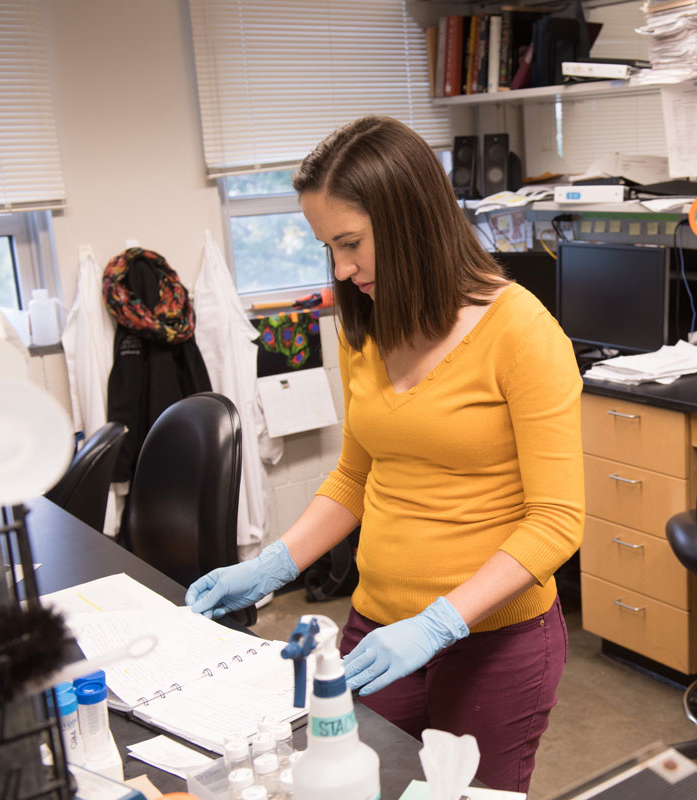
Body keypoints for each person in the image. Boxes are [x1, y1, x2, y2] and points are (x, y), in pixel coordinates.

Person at [185, 116, 584, 793]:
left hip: (494, 643)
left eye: (351, 243)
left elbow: (557, 521)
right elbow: (355, 475)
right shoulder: (364, 321)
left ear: (411, 220)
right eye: (327, 248)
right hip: (377, 630)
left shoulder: (523, 332)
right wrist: (274, 565)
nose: (340, 268)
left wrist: (440, 623)